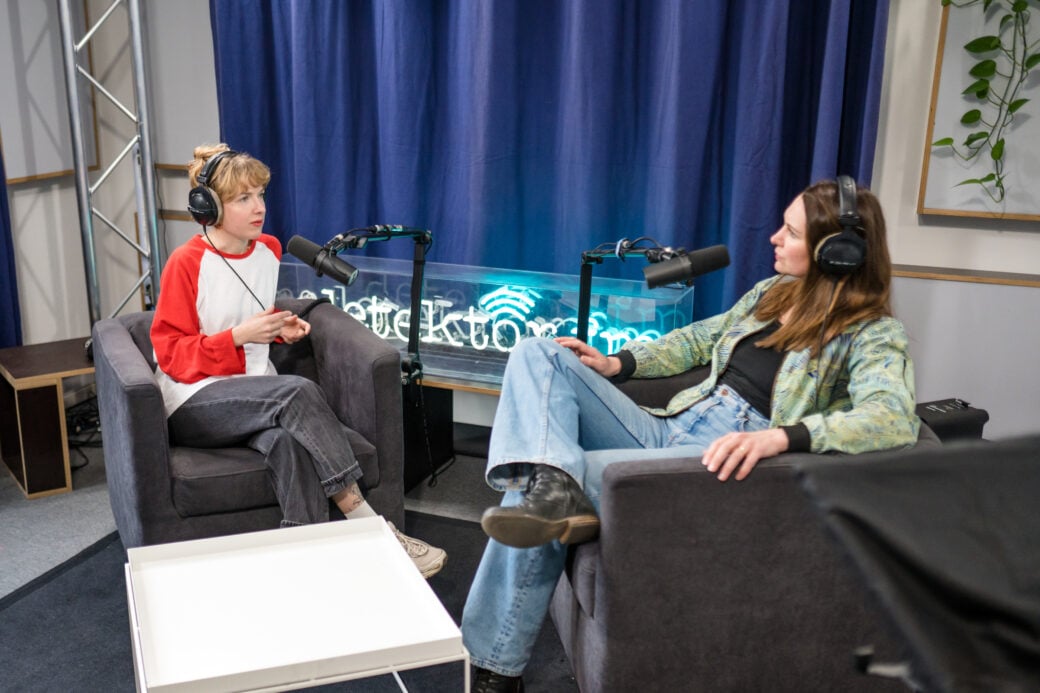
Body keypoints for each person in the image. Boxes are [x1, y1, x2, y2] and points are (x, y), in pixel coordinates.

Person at [461, 177, 920, 691]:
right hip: (670, 425)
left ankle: (494, 672)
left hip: (709, 459)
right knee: (537, 353)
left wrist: (783, 437)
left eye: (789, 232)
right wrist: (618, 362)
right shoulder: (774, 293)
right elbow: (700, 340)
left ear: (837, 251)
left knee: (537, 487)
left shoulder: (874, 332)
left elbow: (893, 418)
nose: (773, 238)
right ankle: (554, 487)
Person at [151, 143, 446, 578]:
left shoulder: (267, 249)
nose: (259, 208)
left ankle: (304, 565)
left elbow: (242, 311)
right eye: (242, 199)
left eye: (261, 195)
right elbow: (171, 354)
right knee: (297, 393)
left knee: (291, 446)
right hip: (194, 399)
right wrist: (239, 337)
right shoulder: (186, 262)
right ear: (209, 207)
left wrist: (275, 326)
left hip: (254, 391)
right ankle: (371, 527)